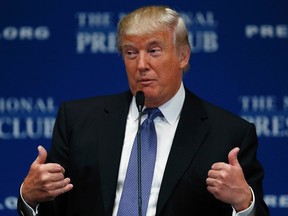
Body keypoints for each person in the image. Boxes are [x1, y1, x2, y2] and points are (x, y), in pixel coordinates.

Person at [17, 5, 269, 216]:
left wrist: (243, 203)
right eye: (130, 52)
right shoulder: (77, 120)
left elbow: (256, 211)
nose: (141, 65)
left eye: (153, 51)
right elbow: (51, 205)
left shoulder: (230, 134)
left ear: (183, 56)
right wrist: (29, 199)